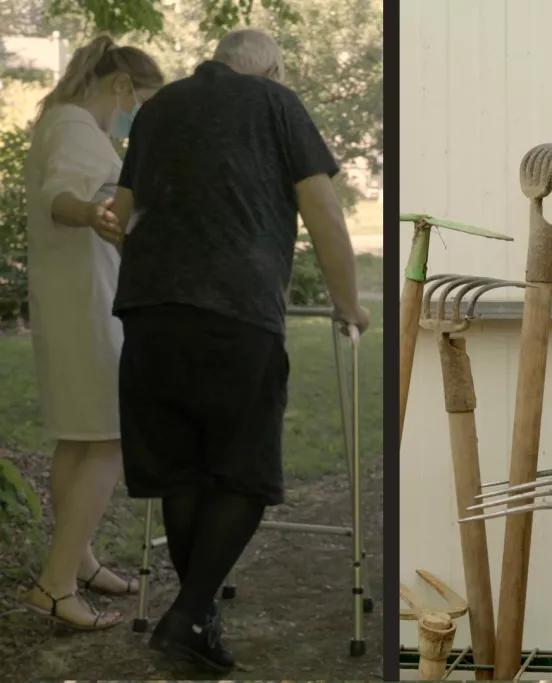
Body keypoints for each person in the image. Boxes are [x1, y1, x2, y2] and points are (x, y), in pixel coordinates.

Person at [100, 29, 370, 672]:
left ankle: (197, 620)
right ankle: (189, 612)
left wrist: (155, 274)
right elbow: (324, 212)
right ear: (271, 68)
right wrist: (347, 302)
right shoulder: (276, 103)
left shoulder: (158, 108)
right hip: (236, 310)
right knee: (244, 473)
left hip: (148, 310)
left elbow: (120, 216)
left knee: (183, 469)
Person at [22, 35, 165, 630]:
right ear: (121, 86)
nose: (143, 120)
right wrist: (91, 213)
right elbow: (62, 198)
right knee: (109, 439)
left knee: (79, 441)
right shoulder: (79, 128)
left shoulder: (64, 121)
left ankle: (75, 561)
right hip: (88, 309)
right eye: (145, 104)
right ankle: (55, 584)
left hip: (70, 303)